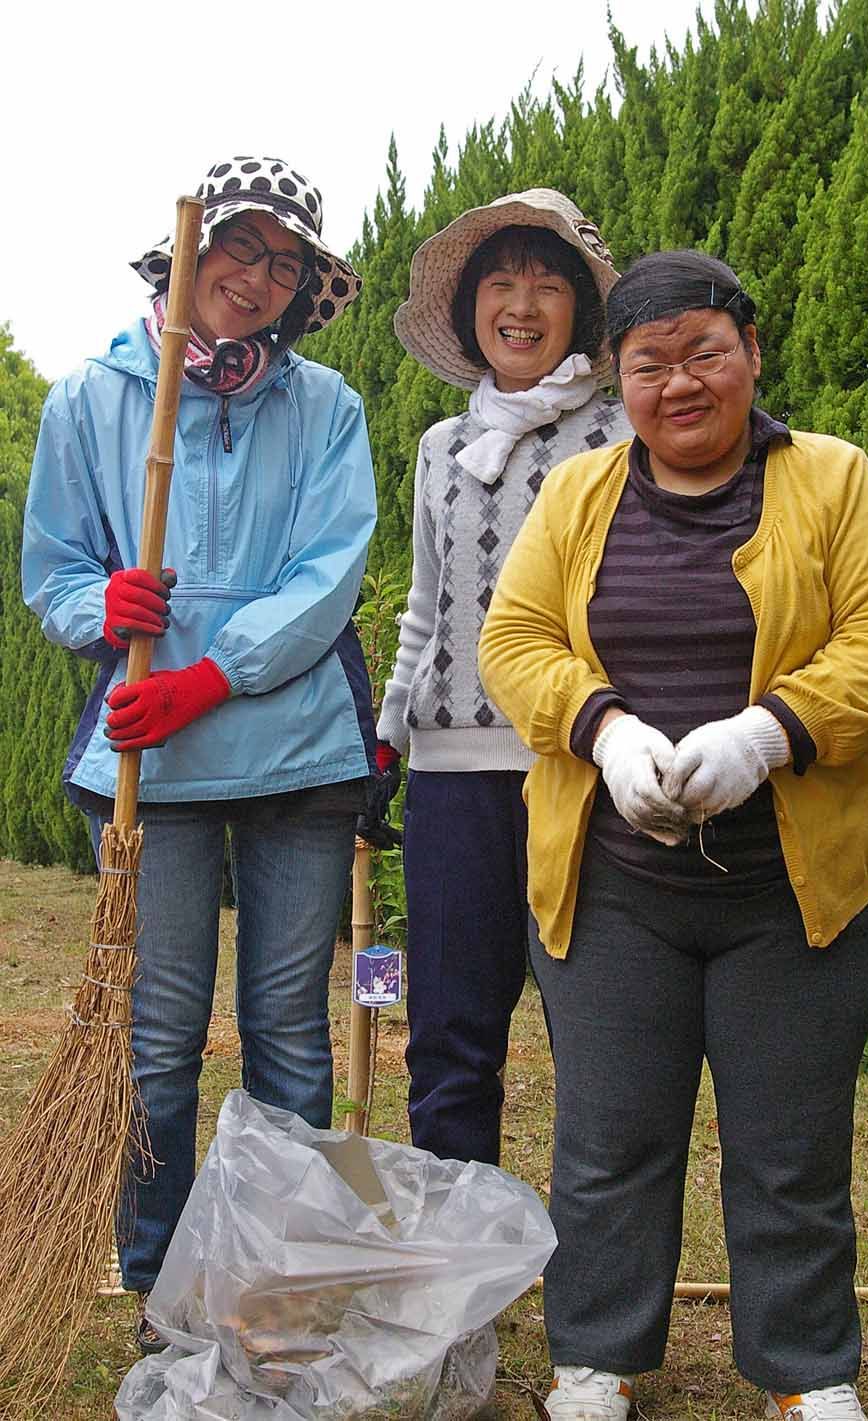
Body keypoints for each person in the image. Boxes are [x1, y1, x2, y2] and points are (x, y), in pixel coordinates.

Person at [479, 249, 868, 1421]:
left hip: (794, 889)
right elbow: (515, 639)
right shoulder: (579, 495)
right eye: (650, 362)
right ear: (617, 381)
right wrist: (606, 729)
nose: (681, 381)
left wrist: (770, 734)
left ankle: (806, 1369)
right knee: (609, 1141)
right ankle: (600, 1354)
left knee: (792, 1149)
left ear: (750, 356)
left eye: (705, 352)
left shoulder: (833, 479)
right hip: (616, 881)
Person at [22, 156, 378, 1353]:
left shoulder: (326, 406)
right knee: (158, 1026)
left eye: (288, 263)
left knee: (287, 1023)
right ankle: (157, 1272)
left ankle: (278, 1275)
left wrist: (210, 674)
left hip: (297, 750)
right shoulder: (92, 396)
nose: (261, 277)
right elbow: (56, 568)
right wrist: (101, 607)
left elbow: (329, 575)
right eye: (244, 247)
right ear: (190, 249)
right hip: (148, 764)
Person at [375, 190, 630, 1166]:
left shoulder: (618, 439)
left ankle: (595, 1284)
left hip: (582, 768)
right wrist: (387, 740)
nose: (521, 304)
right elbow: (424, 609)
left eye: (547, 285)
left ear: (580, 312)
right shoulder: (441, 448)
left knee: (596, 1036)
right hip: (450, 781)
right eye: (500, 283)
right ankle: (455, 1283)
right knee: (448, 1034)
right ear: (470, 309)